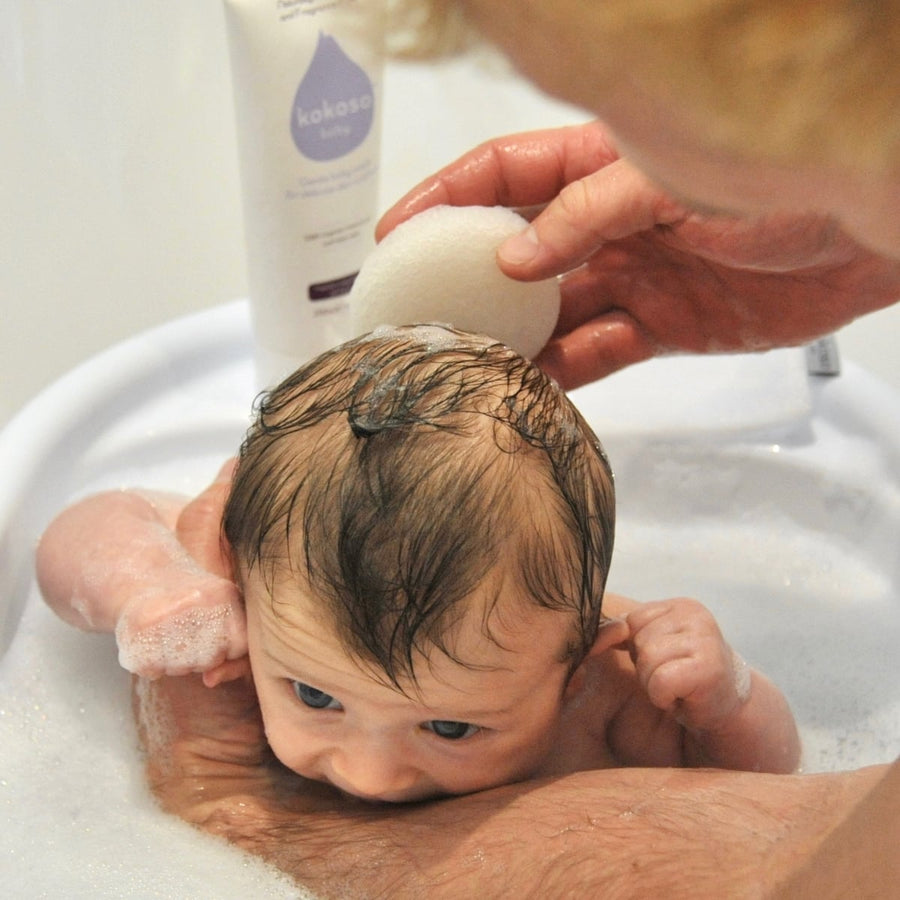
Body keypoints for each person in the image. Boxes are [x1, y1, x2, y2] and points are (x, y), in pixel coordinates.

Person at [36, 325, 799, 806]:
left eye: (449, 726)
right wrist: (149, 584)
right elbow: (83, 529)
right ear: (239, 570)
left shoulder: (610, 690)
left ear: (577, 665)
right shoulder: (262, 574)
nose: (372, 774)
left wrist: (726, 699)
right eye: (312, 694)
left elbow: (763, 792)